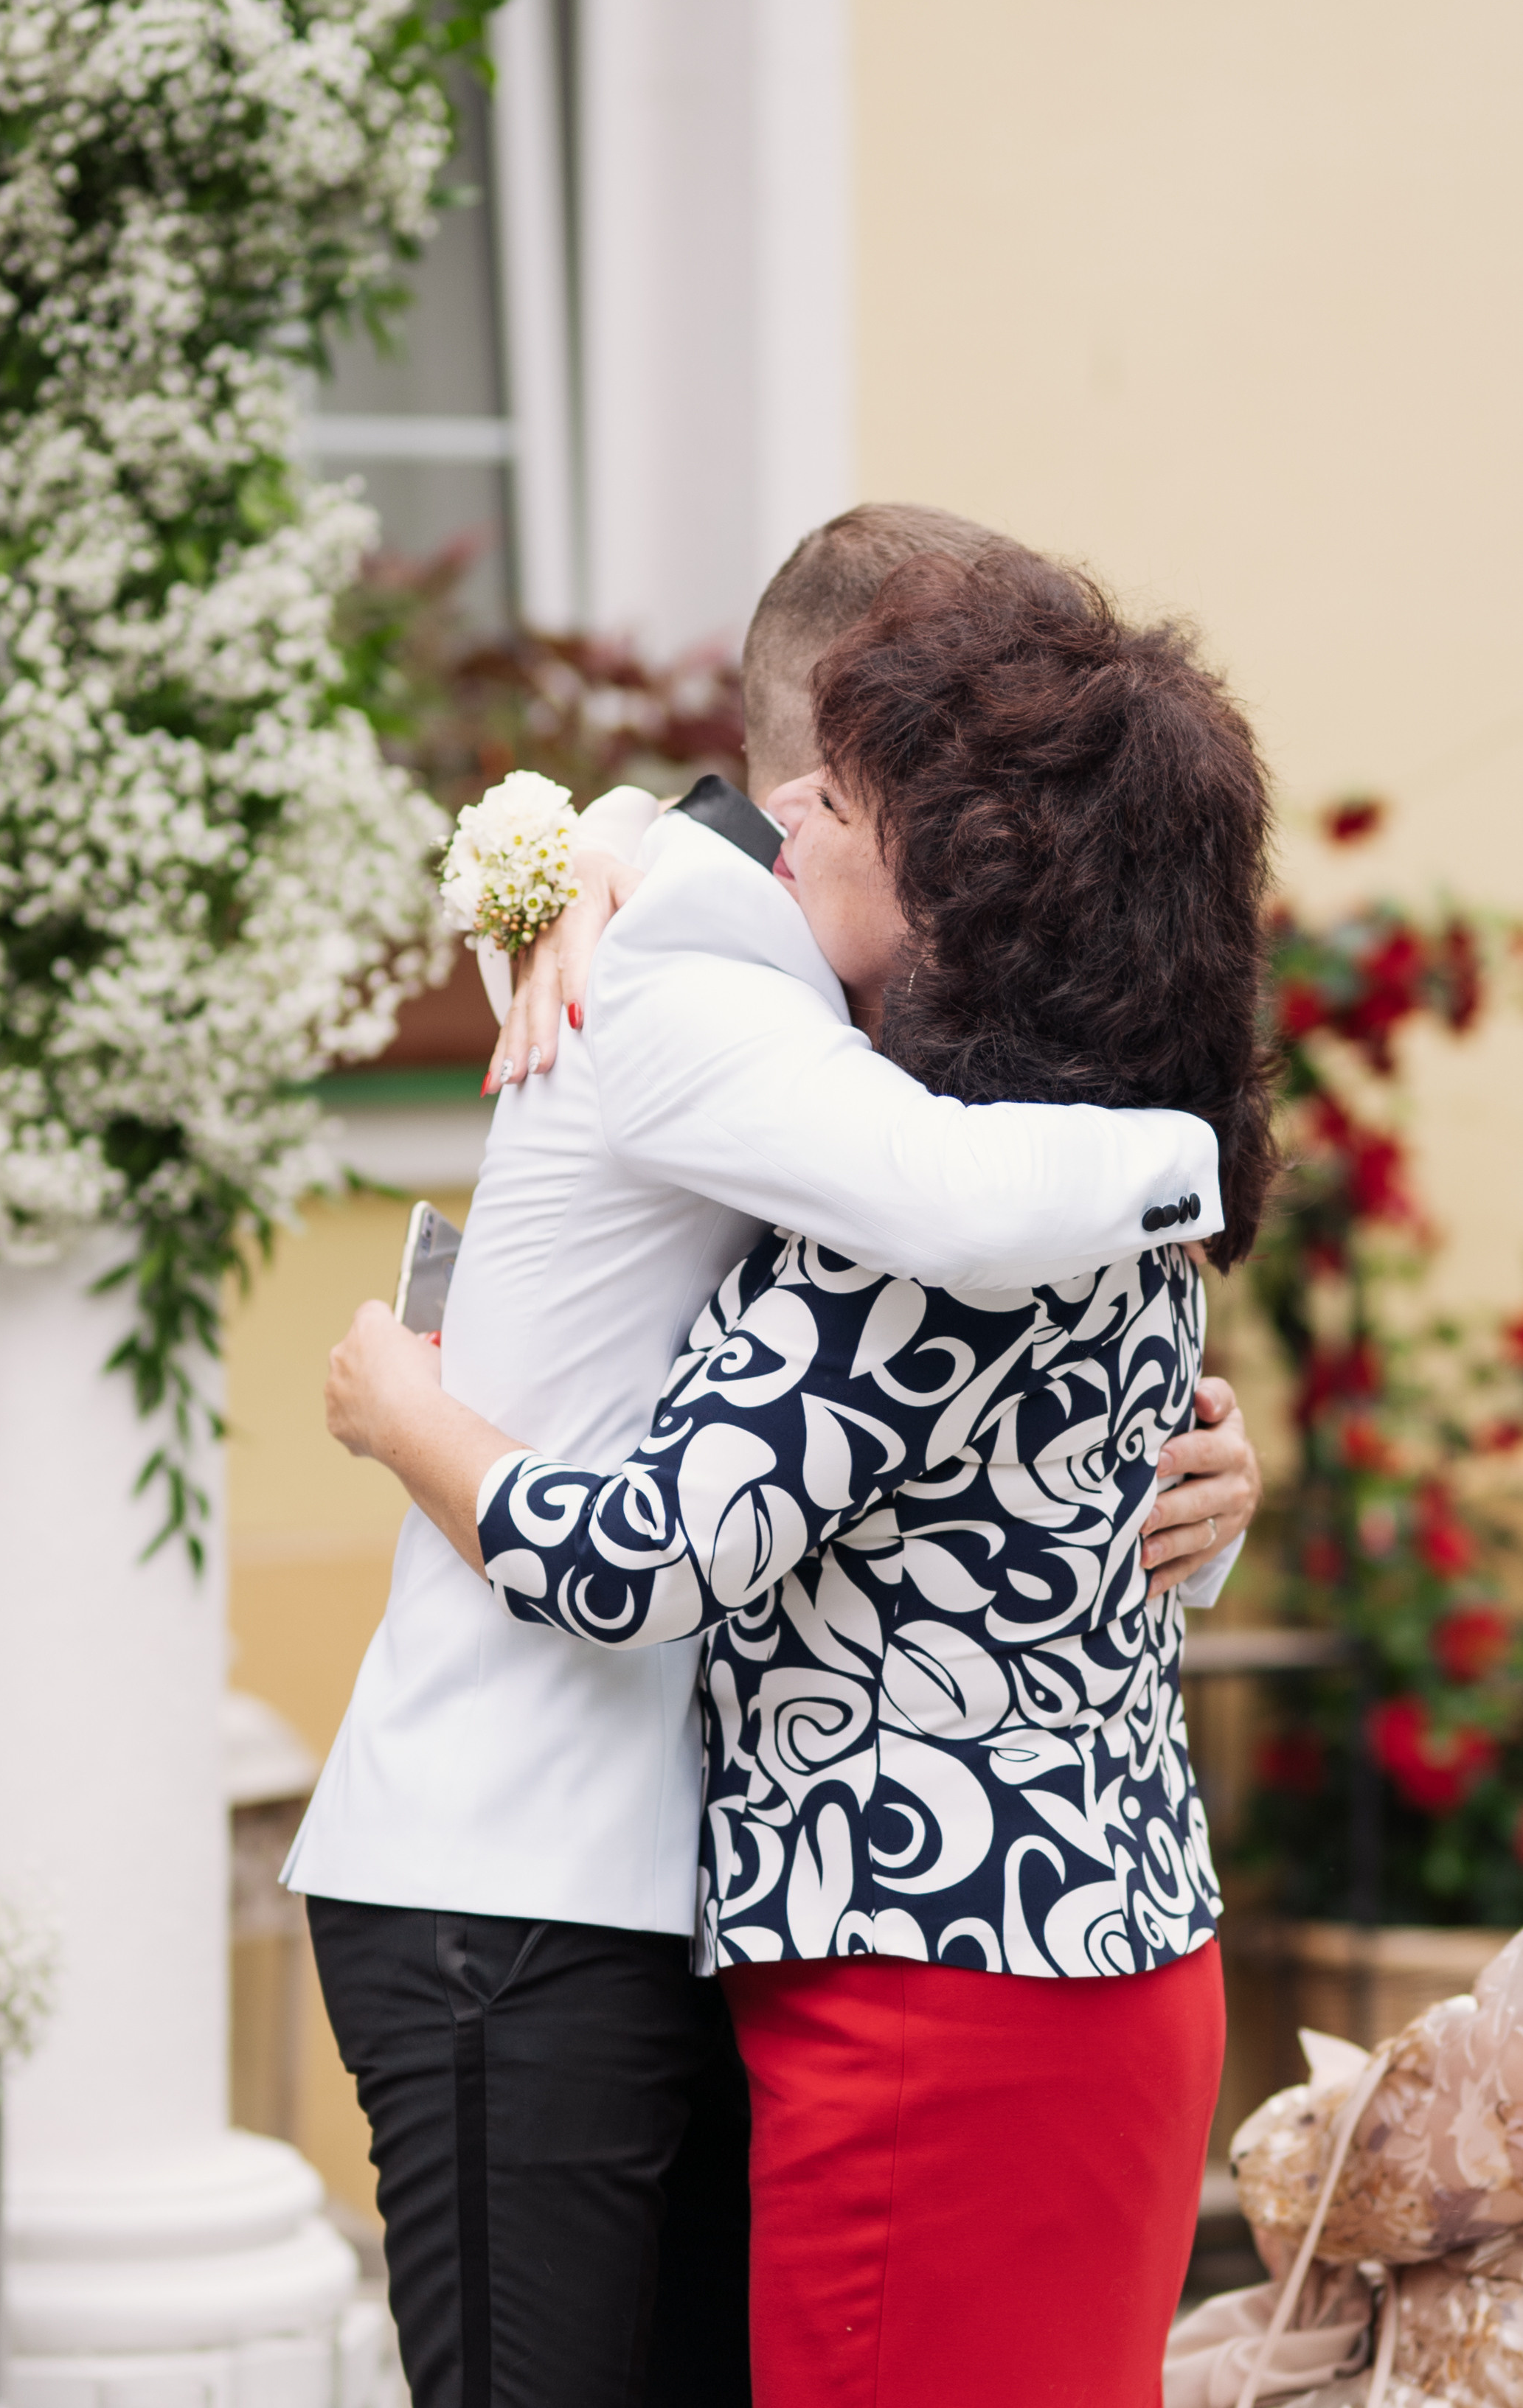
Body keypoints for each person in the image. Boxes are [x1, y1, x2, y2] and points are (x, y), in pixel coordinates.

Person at [300, 506, 1262, 2408]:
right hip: (533, 1873)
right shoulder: (705, 983)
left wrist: (1203, 1472)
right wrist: (1193, 1158)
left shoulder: (899, 1067)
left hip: (795, 1902)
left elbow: (984, 1440)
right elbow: (925, 1246)